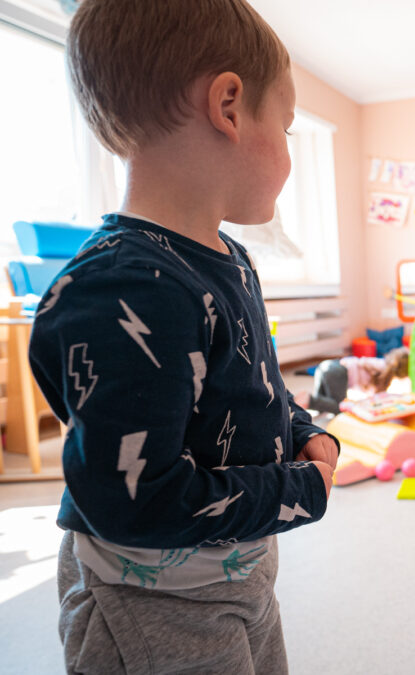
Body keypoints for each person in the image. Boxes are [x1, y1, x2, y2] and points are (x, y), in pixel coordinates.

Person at [27, 2, 340, 673]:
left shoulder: (226, 255)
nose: (289, 153)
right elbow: (140, 500)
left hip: (235, 564)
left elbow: (246, 385)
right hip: (154, 601)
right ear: (229, 105)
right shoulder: (124, 287)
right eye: (285, 127)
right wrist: (300, 488)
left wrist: (298, 424)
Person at [294, 346, 410, 414]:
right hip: (338, 372)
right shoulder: (383, 367)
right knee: (340, 407)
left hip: (327, 366)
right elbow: (364, 362)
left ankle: (308, 400)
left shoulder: (382, 365)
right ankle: (308, 398)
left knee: (324, 404)